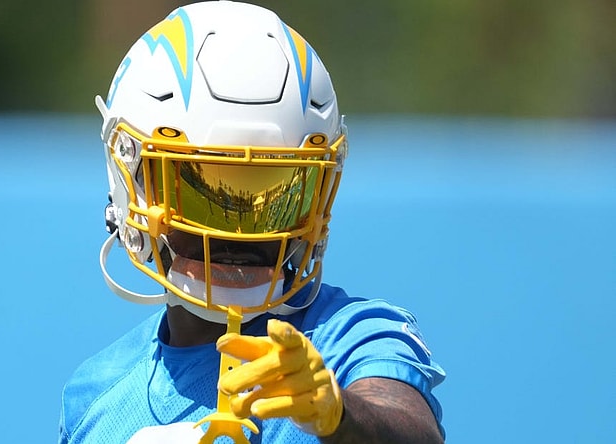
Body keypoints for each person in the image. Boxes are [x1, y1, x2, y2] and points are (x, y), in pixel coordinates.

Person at [58, 1, 445, 443]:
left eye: (272, 196)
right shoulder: (94, 394)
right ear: (134, 184)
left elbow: (410, 429)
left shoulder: (352, 338)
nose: (237, 234)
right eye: (203, 193)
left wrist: (340, 415)